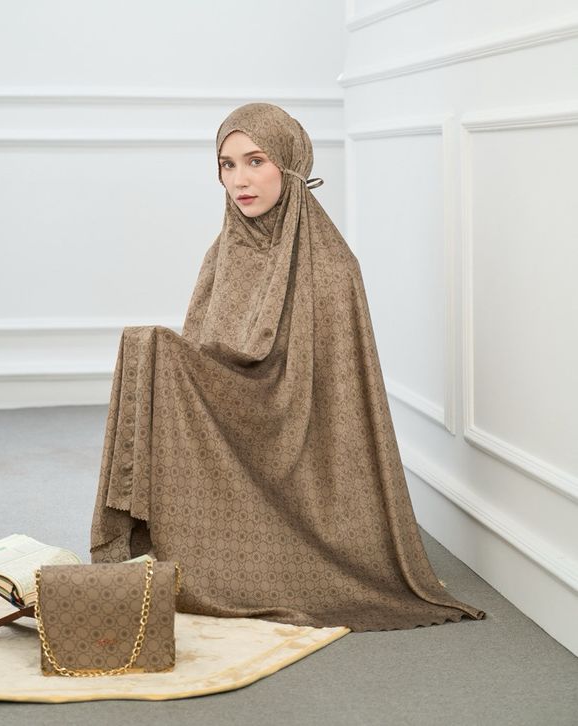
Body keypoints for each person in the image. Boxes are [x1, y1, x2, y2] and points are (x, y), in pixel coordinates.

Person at [89, 102, 486, 632]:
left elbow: (332, 404)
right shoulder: (223, 252)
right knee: (148, 346)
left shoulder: (333, 267)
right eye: (227, 165)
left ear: (290, 164)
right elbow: (208, 361)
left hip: (299, 444)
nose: (239, 180)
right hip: (231, 418)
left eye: (256, 161)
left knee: (153, 346)